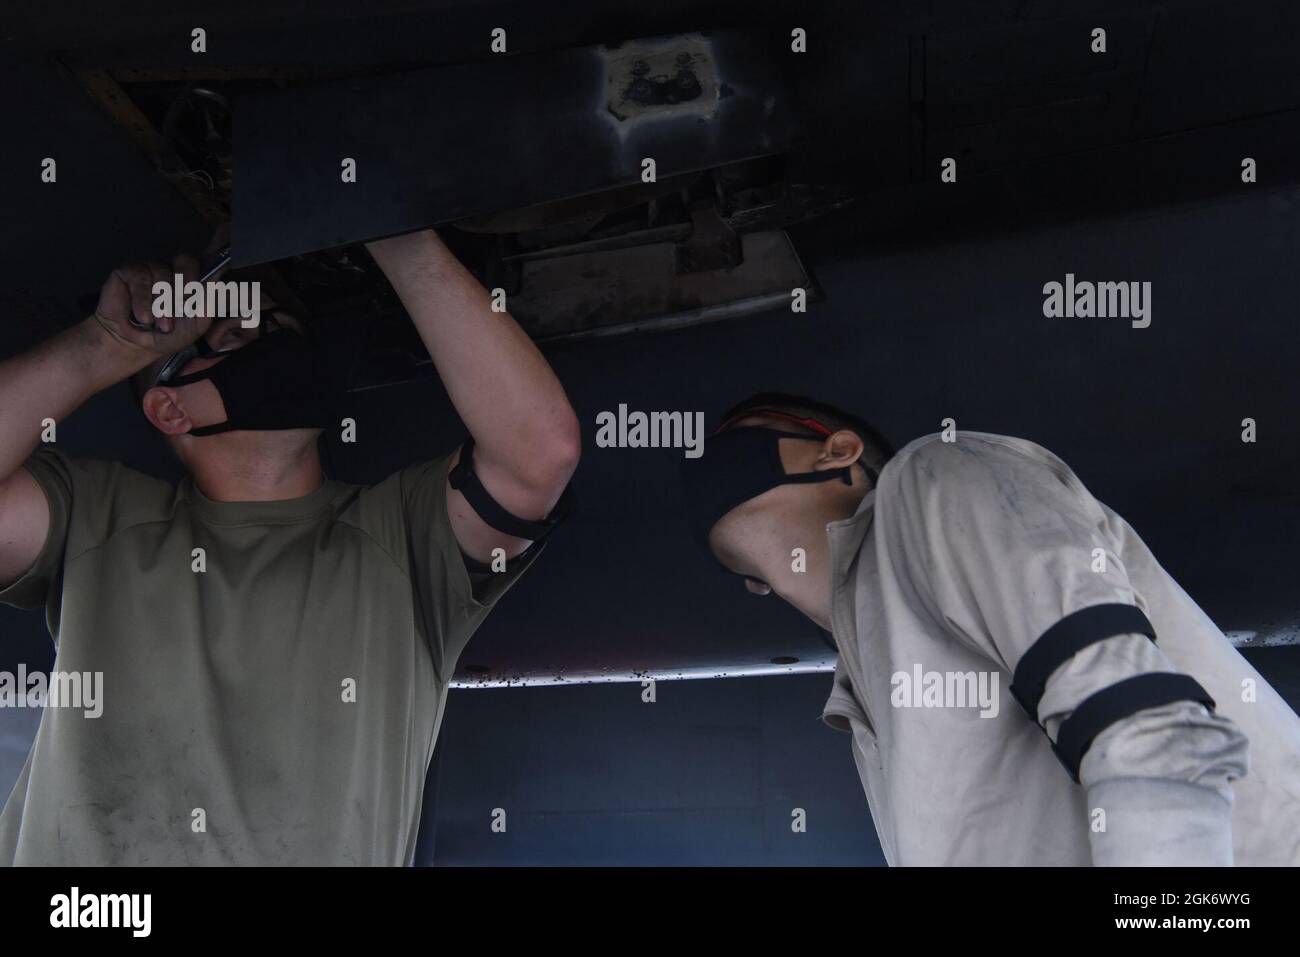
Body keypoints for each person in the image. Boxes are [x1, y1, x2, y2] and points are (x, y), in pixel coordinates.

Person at [0, 229, 580, 865]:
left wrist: (390, 228)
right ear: (169, 410)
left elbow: (538, 455)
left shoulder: (401, 536)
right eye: (236, 337)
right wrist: (105, 344)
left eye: (282, 330)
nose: (275, 345)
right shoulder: (96, 515)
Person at [681, 392, 1300, 865]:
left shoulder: (933, 478)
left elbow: (1151, 731)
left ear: (838, 452)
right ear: (752, 581)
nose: (707, 459)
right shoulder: (863, 686)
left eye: (742, 436)